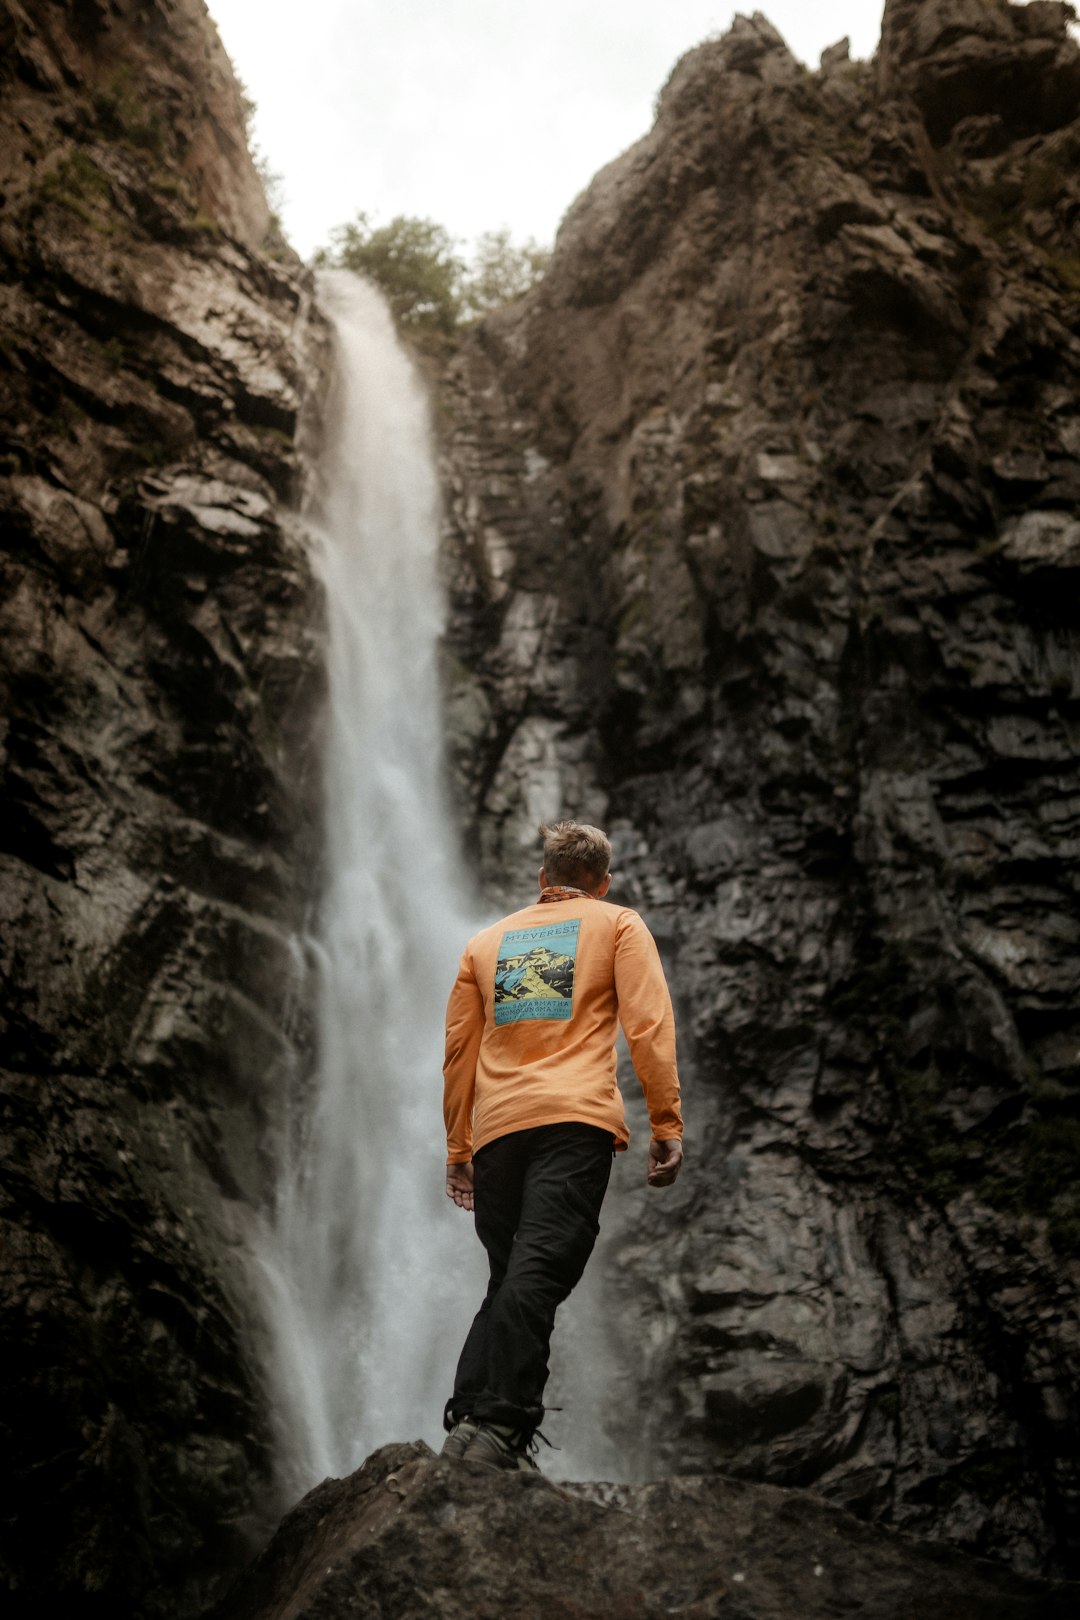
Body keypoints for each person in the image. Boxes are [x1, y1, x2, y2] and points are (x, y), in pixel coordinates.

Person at [440, 819, 684, 1472]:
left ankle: (469, 1424)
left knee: (509, 1277)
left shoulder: (484, 944)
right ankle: (498, 1428)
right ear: (602, 884)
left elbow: (458, 1053)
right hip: (573, 1124)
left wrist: (458, 1148)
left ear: (541, 879)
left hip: (496, 1134)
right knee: (536, 1272)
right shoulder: (618, 925)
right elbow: (649, 1025)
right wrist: (666, 1124)